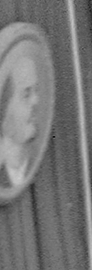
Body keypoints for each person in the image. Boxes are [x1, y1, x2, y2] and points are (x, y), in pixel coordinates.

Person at [0, 55, 40, 191]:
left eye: (36, 90)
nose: (36, 100)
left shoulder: (37, 162)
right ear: (3, 106)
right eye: (26, 94)